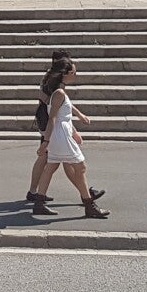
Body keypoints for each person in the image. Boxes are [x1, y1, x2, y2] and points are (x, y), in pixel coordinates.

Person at [28, 50, 106, 210]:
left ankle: (39, 200)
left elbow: (63, 109)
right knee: (76, 166)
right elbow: (55, 115)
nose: (75, 74)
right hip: (57, 132)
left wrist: (75, 122)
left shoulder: (57, 87)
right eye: (73, 72)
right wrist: (47, 141)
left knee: (53, 165)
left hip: (57, 131)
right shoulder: (54, 86)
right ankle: (88, 201)